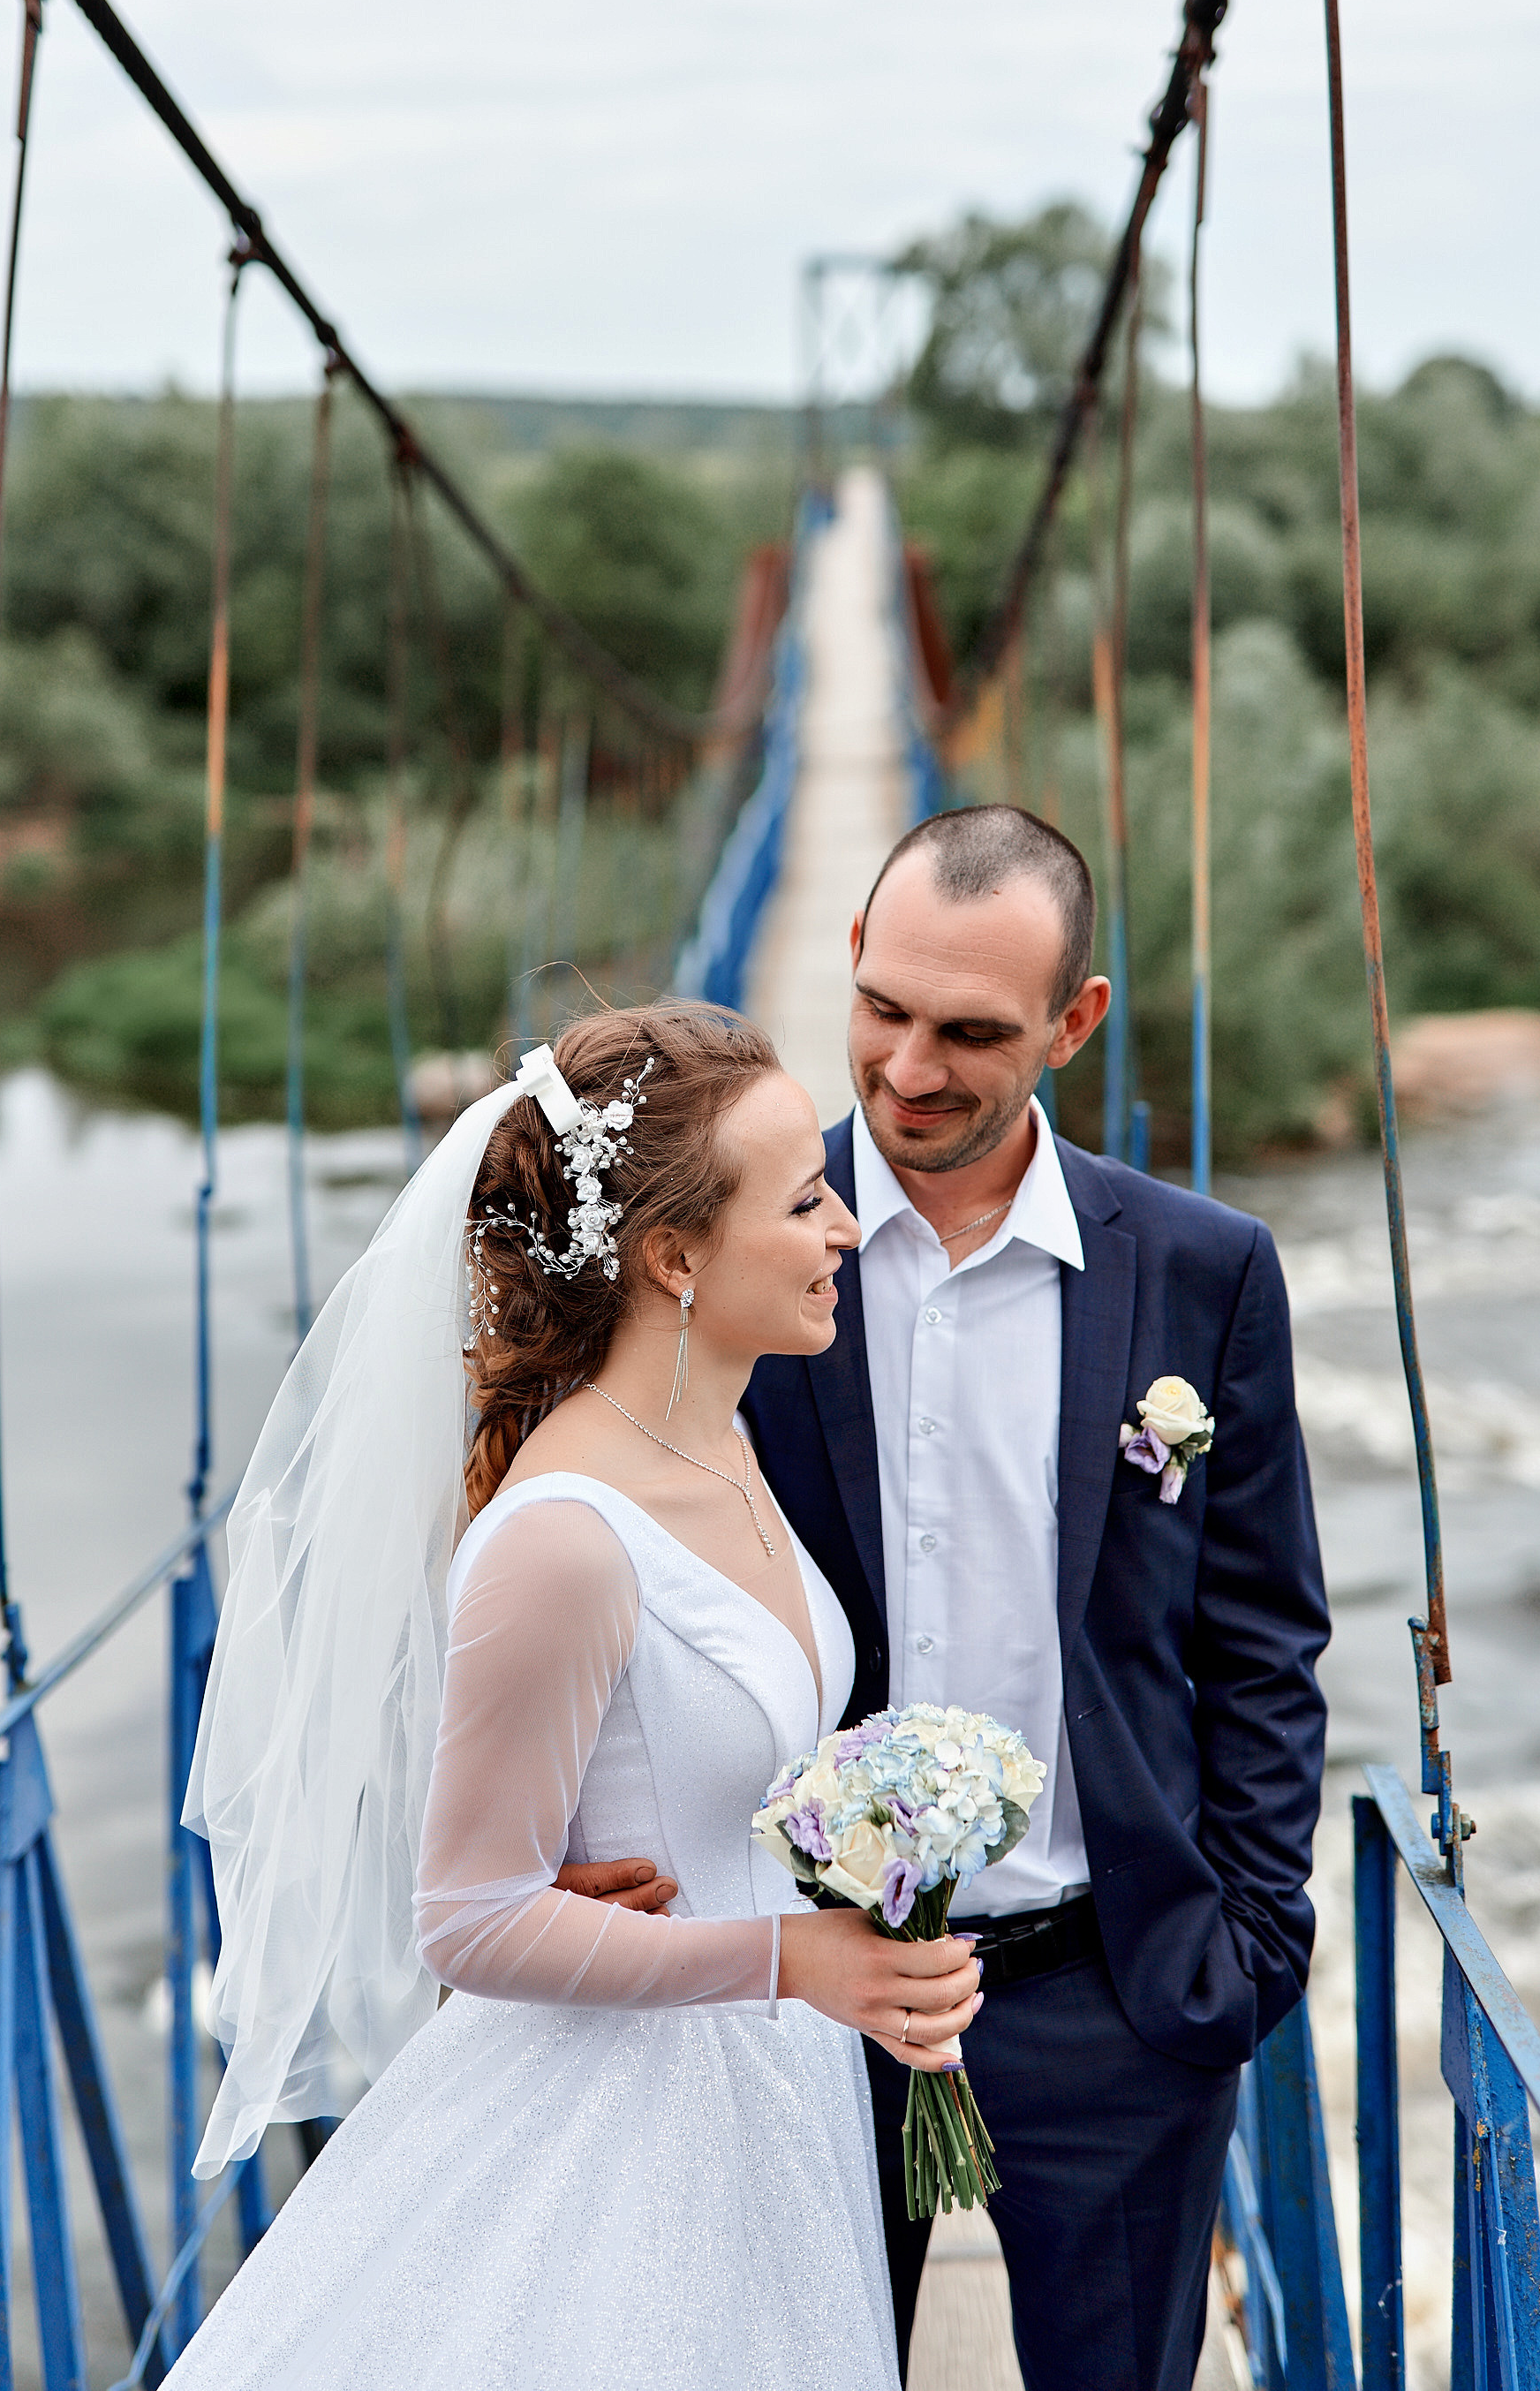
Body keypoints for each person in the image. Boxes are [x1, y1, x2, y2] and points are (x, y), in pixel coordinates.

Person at [564, 806, 1331, 2391]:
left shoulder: (1206, 1273)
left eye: (973, 1031)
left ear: (1075, 1022)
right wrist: (566, 1845)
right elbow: (578, 1525)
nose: (910, 1067)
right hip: (789, 1989)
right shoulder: (726, 1251)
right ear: (846, 958)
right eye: (883, 1009)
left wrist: (1250, 1945)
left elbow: (1263, 1645)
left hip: (1114, 1991)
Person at [168, 1001, 982, 2389]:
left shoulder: (723, 1432)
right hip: (624, 2126)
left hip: (768, 2091)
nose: (849, 1228)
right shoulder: (565, 1536)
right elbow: (467, 1918)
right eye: (805, 1202)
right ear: (673, 1257)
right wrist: (796, 1960)